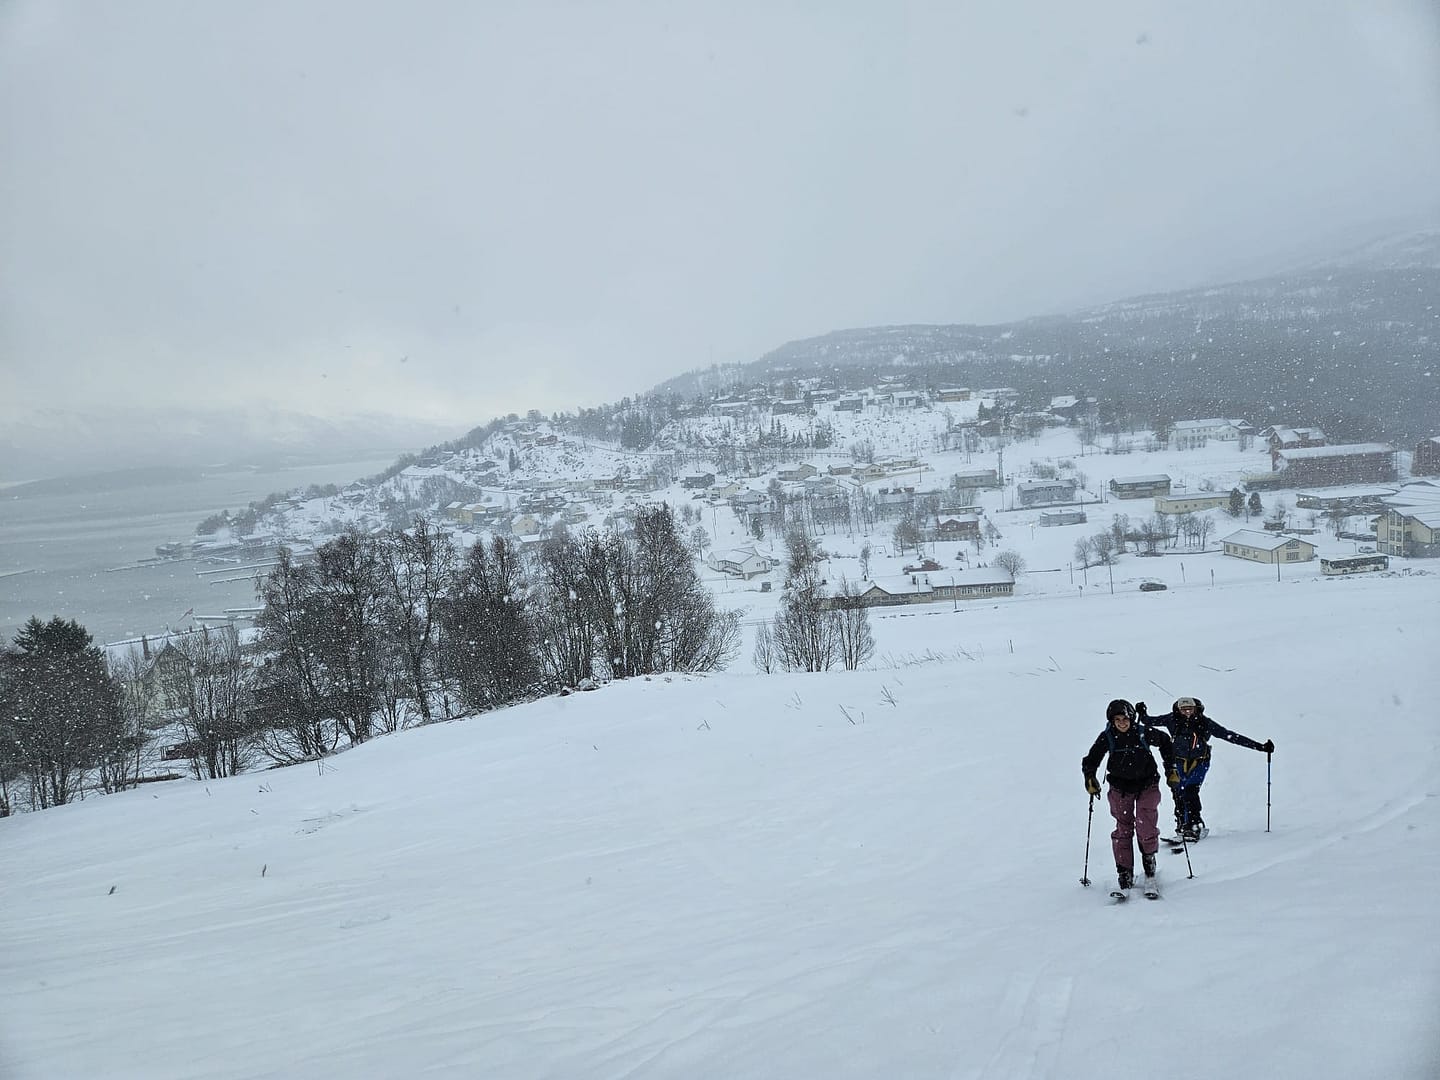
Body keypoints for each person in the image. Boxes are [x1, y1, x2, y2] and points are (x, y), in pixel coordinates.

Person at [1137, 696, 1274, 842]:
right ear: (1178, 710)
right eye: (1183, 709)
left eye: (1190, 709)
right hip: (1178, 761)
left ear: (1197, 709)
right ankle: (1183, 825)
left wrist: (1260, 747)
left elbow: (1230, 736)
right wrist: (1142, 713)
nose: (1187, 712)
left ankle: (1194, 825)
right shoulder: (1171, 719)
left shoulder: (1205, 723)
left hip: (1200, 762)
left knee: (1190, 791)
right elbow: (1149, 721)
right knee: (1178, 792)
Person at [1082, 699, 1178, 893]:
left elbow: (1166, 742)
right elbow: (1091, 759)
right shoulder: (1108, 736)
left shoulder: (1142, 732)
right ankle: (1124, 872)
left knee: (1146, 826)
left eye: (1125, 718)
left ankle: (1149, 868)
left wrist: (1171, 769)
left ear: (1131, 717)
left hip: (1147, 784)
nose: (1122, 723)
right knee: (1123, 829)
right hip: (1120, 788)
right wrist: (1090, 777)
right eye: (1117, 719)